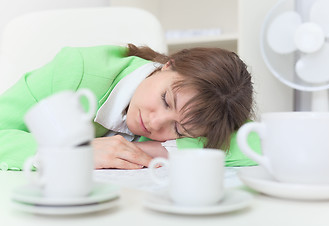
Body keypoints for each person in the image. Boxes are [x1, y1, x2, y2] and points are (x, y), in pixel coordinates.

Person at [0, 44, 261, 171]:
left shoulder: (192, 119)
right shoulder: (76, 71)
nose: (156, 123)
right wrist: (72, 155)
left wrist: (152, 149)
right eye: (166, 100)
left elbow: (259, 144)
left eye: (178, 130)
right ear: (168, 64)